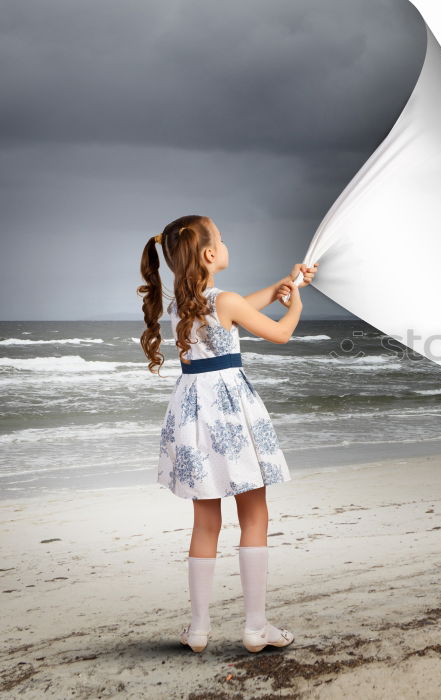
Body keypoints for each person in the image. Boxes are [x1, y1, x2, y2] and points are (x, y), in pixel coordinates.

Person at [136, 214, 318, 653]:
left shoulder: (182, 303)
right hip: (230, 414)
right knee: (254, 513)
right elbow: (278, 334)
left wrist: (281, 286)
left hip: (194, 414)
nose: (225, 241)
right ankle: (256, 627)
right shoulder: (227, 301)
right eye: (221, 237)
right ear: (210, 254)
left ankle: (198, 629)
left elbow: (233, 309)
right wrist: (294, 303)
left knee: (206, 520)